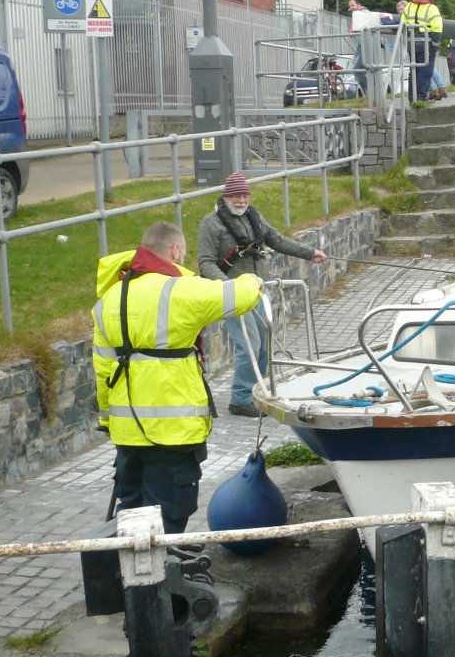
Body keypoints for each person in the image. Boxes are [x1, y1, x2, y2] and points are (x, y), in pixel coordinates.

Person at [93, 221, 263, 534]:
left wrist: (108, 420)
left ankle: (134, 564)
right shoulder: (181, 290)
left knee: (132, 510)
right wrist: (253, 279)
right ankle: (165, 563)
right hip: (173, 432)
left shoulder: (109, 298)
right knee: (169, 512)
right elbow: (239, 297)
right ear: (175, 250)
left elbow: (103, 368)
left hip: (127, 431)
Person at [197, 174, 328, 417]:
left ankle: (258, 393)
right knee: (250, 346)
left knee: (265, 345)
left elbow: (277, 240)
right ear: (226, 197)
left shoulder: (253, 216)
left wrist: (310, 253)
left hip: (259, 290)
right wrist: (229, 287)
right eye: (236, 196)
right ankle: (240, 399)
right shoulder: (211, 223)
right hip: (234, 295)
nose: (241, 200)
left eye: (245, 195)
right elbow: (205, 263)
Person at [400, 0, 445, 101]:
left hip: (411, 43)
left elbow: (403, 24)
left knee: (413, 70)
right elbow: (437, 27)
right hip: (426, 44)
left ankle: (412, 97)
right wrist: (435, 45)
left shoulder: (409, 6)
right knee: (426, 71)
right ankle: (421, 98)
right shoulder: (432, 8)